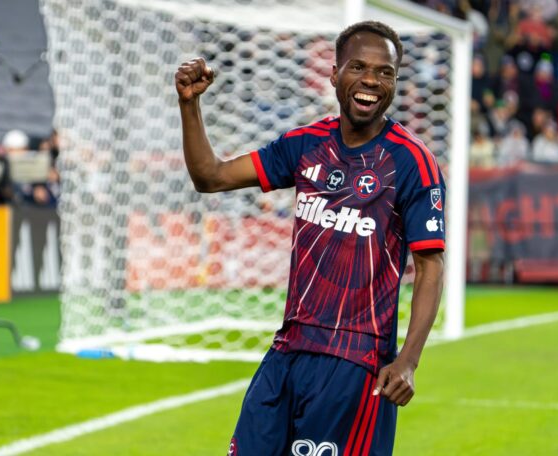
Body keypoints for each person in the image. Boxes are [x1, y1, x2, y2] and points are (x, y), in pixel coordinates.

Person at [176, 21, 445, 455]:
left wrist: (409, 360)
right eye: (358, 67)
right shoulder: (305, 145)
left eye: (385, 72)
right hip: (288, 351)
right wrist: (189, 105)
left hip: (355, 363)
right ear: (334, 74)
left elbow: (430, 265)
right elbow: (211, 176)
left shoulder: (412, 161)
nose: (372, 81)